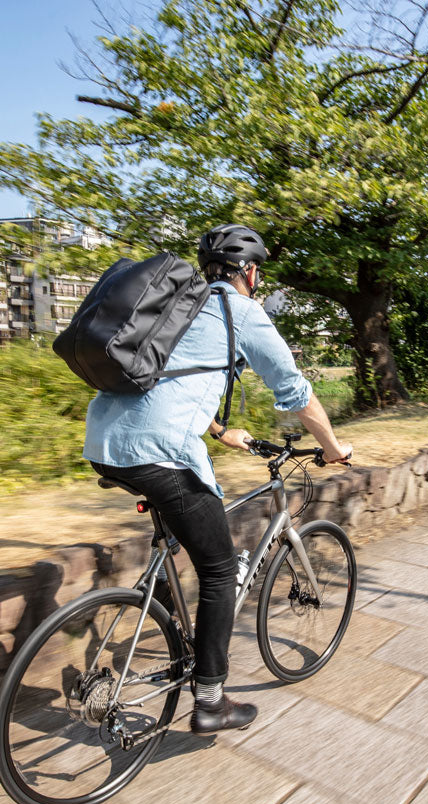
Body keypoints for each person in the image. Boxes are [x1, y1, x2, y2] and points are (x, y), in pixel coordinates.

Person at [82, 224, 353, 735]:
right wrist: (334, 448)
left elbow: (164, 375)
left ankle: (164, 611)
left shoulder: (177, 306)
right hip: (159, 452)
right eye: (259, 273)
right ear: (250, 272)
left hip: (104, 444)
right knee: (219, 568)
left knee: (181, 533)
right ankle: (210, 699)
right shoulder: (243, 312)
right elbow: (295, 391)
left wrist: (220, 430)